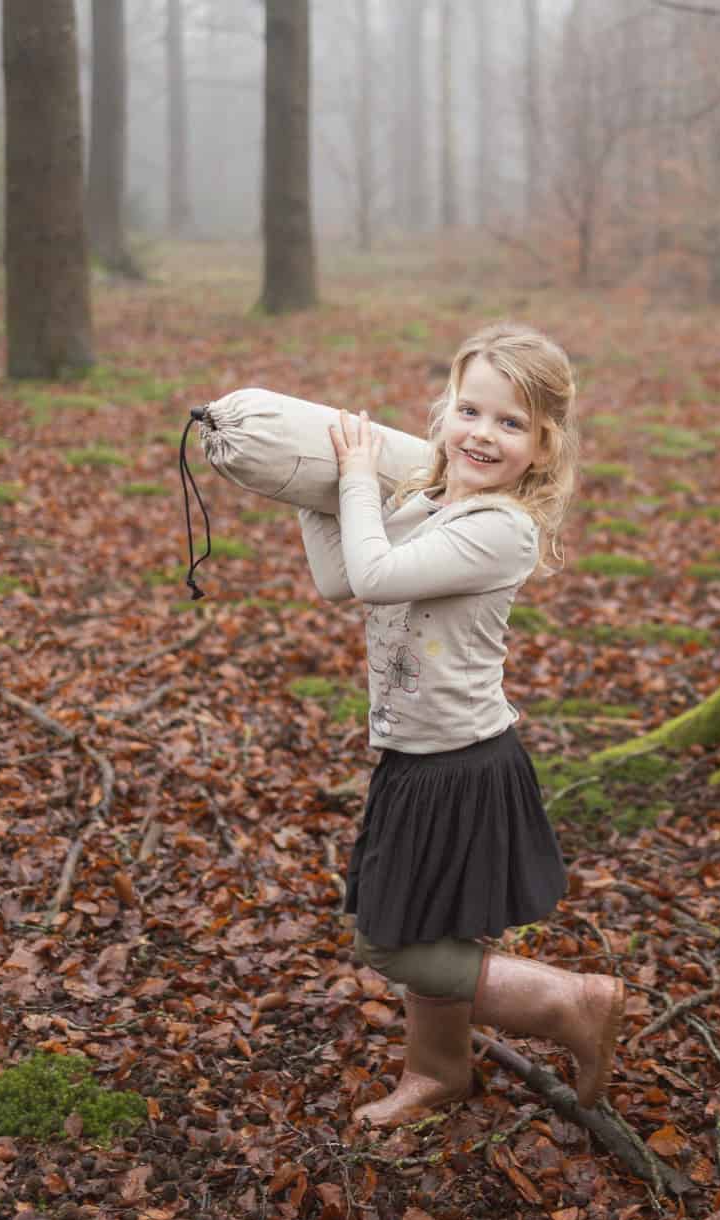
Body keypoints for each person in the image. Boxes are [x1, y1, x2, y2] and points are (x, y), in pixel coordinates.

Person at [299, 323, 625, 1128]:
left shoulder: (500, 529)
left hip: (461, 765)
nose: (483, 433)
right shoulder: (434, 502)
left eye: (511, 423)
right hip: (419, 755)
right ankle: (439, 1072)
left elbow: (374, 577)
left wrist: (355, 477)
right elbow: (340, 577)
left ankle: (564, 1001)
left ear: (544, 447)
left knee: (390, 942)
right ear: (445, 411)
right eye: (470, 410)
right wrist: (308, 486)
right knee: (431, 921)